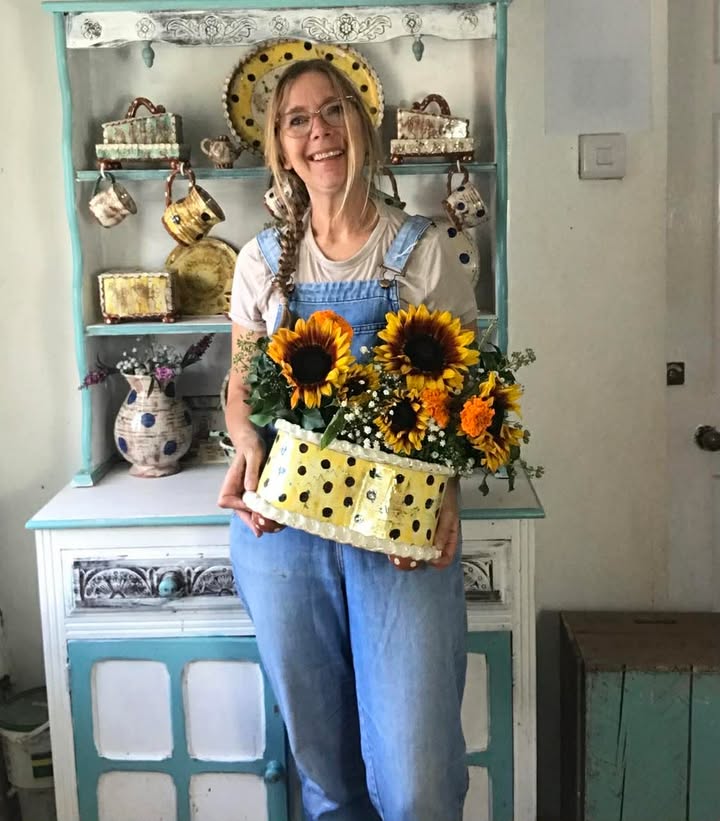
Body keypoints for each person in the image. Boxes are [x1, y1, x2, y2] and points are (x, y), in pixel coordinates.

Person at [218, 58, 478, 821]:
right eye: (297, 119)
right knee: (328, 779)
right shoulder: (261, 262)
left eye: (333, 111)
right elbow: (241, 383)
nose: (318, 132)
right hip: (284, 531)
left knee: (418, 782)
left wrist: (448, 488)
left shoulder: (421, 251)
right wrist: (245, 445)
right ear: (280, 145)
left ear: (364, 127)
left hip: (398, 527)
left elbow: (458, 394)